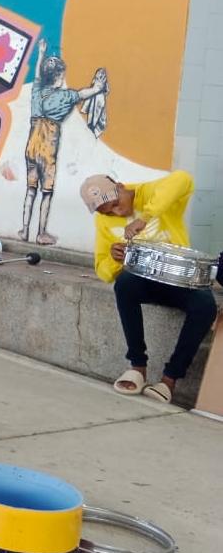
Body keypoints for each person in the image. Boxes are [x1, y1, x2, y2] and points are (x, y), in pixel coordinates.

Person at [80, 171, 217, 403]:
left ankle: (169, 380)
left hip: (178, 279)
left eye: (115, 204)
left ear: (121, 187)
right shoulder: (103, 219)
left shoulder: (149, 193)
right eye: (108, 211)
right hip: (144, 282)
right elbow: (101, 268)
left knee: (205, 305)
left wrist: (145, 217)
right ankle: (137, 367)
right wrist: (114, 260)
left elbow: (184, 179)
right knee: (124, 284)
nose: (116, 212)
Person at [19, 38, 107, 245]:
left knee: (30, 189)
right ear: (60, 77)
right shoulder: (65, 96)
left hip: (31, 147)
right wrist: (98, 88)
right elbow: (83, 94)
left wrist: (40, 53)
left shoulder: (37, 91)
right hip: (47, 147)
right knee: (46, 192)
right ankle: (41, 233)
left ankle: (24, 229)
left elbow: (38, 75)